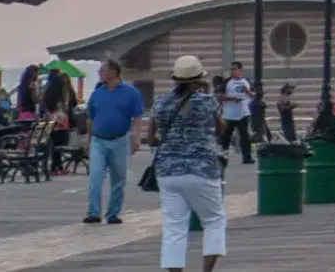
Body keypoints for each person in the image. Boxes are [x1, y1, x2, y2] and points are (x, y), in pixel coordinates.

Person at [142, 56, 227, 272]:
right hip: (202, 169)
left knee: (174, 228)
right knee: (213, 220)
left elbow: (151, 139)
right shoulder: (208, 101)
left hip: (168, 171)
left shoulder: (160, 103)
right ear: (199, 79)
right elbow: (221, 129)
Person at [83, 56, 145, 228]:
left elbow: (137, 116)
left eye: (102, 70)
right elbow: (90, 118)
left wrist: (136, 136)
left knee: (118, 179)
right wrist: (88, 140)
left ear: (113, 72)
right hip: (98, 140)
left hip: (119, 139)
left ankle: (113, 213)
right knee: (95, 177)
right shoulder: (97, 93)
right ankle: (93, 212)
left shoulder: (131, 92)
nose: (99, 73)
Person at [218, 63, 255, 165]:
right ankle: (224, 157)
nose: (232, 71)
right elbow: (219, 96)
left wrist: (247, 91)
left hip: (243, 113)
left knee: (245, 137)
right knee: (226, 137)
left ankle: (247, 157)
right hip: (229, 115)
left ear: (240, 70)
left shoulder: (247, 81)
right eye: (231, 69)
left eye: (234, 69)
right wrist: (231, 98)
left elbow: (253, 96)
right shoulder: (226, 82)